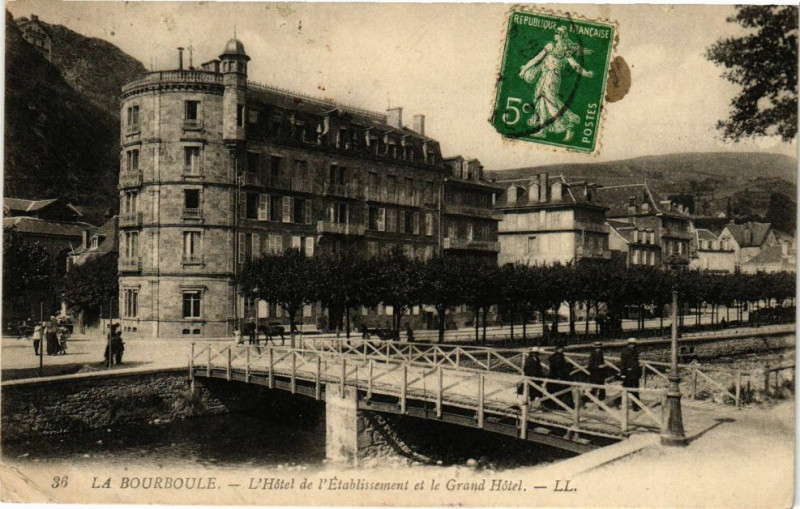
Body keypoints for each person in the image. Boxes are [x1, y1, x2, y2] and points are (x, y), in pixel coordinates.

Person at [518, 26, 595, 141]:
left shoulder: (562, 49)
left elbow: (574, 65)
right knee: (541, 101)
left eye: (557, 32)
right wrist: (524, 69)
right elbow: (536, 59)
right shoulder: (552, 46)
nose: (554, 34)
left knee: (550, 102)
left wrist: (586, 73)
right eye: (555, 32)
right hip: (544, 76)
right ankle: (542, 130)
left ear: (562, 35)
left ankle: (569, 127)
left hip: (552, 78)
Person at [546, 343, 573, 408]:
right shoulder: (558, 357)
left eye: (563, 348)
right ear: (558, 349)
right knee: (562, 391)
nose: (563, 350)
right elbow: (558, 367)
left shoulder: (556, 356)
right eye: (561, 348)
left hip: (554, 376)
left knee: (555, 391)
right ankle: (565, 405)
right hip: (558, 376)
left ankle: (555, 405)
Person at [619, 337, 642, 409]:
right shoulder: (625, 352)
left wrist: (638, 371)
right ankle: (618, 402)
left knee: (635, 390)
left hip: (635, 374)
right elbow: (623, 363)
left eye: (634, 344)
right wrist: (622, 374)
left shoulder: (635, 351)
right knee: (627, 389)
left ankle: (636, 406)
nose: (633, 345)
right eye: (631, 344)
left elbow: (636, 362)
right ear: (628, 344)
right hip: (628, 374)